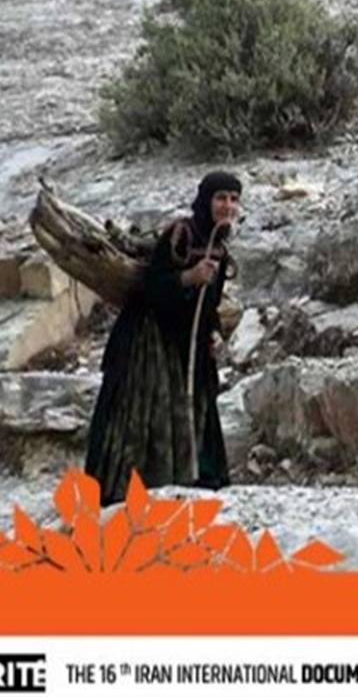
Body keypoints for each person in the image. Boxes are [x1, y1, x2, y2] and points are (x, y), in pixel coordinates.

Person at [85, 172, 242, 505]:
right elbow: (150, 288)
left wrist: (213, 333)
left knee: (197, 408)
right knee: (143, 419)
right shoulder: (180, 235)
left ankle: (196, 482)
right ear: (205, 200)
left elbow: (209, 305)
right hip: (150, 342)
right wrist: (188, 277)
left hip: (188, 344)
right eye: (220, 198)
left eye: (233, 199)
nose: (227, 206)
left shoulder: (220, 248)